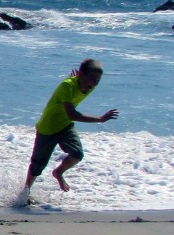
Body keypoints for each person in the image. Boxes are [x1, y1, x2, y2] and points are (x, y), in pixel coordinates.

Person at [24, 59, 118, 193]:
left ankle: (58, 172)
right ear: (81, 75)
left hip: (65, 126)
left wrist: (78, 78)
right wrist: (101, 119)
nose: (93, 83)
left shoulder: (87, 85)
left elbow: (78, 89)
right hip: (47, 128)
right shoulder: (66, 86)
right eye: (91, 78)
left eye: (97, 81)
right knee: (37, 166)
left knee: (77, 154)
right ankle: (25, 193)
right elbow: (72, 114)